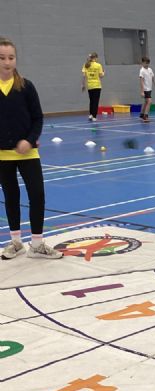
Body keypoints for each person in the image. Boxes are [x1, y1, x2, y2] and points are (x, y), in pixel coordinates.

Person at [0, 38, 63, 259]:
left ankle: (37, 245)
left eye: (11, 57)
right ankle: (16, 242)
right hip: (2, 156)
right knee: (11, 197)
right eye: (2, 58)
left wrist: (30, 139)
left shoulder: (26, 86)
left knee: (37, 195)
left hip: (29, 153)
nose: (7, 62)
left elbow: (38, 118)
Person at [81, 52, 105, 122]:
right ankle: (94, 116)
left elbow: (84, 76)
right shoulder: (98, 65)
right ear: (96, 58)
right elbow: (101, 76)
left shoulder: (86, 65)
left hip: (90, 85)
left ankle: (91, 114)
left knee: (91, 101)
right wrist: (103, 73)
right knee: (95, 102)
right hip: (97, 85)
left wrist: (83, 84)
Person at [139, 56, 155, 123]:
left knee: (146, 102)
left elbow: (153, 80)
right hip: (145, 89)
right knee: (149, 101)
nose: (147, 64)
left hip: (149, 89)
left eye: (148, 63)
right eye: (146, 63)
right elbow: (141, 81)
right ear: (142, 63)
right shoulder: (142, 71)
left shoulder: (150, 70)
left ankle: (141, 114)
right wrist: (142, 91)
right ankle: (145, 116)